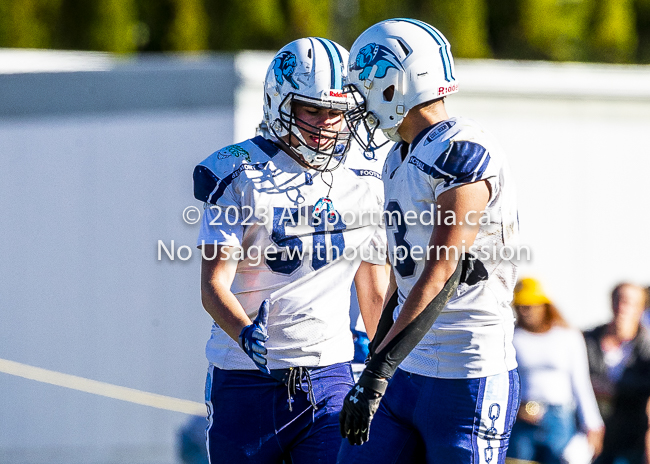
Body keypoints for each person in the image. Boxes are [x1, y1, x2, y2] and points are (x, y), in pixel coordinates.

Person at [193, 37, 388, 464]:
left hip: (330, 376)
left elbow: (374, 294)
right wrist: (245, 332)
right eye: (312, 109)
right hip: (245, 380)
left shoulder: (367, 182)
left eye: (336, 111)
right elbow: (213, 286)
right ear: (280, 101)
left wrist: (386, 367)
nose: (325, 124)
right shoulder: (237, 173)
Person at [337, 18, 521, 464]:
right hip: (409, 367)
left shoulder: (463, 149)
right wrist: (377, 366)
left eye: (363, 89)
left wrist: (377, 371)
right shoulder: (395, 158)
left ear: (396, 83)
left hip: (466, 368)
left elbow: (442, 272)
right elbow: (404, 281)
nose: (357, 104)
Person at [507, 278, 604, 464]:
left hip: (559, 418)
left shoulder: (568, 336)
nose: (525, 311)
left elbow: (580, 382)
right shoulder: (511, 337)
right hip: (521, 421)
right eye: (520, 306)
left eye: (530, 305)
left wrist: (593, 423)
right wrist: (514, 410)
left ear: (544, 305)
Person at [584, 283, 650, 464]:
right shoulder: (588, 340)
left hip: (630, 438)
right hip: (588, 434)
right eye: (618, 300)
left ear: (641, 308)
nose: (622, 307)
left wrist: (615, 389)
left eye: (628, 302)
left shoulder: (646, 348)